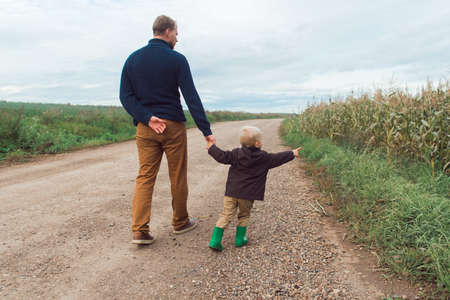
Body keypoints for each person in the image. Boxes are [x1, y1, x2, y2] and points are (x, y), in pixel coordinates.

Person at [119, 15, 216, 245]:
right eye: (176, 33)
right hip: (172, 126)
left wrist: (146, 117)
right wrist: (206, 130)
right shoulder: (177, 59)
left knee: (145, 177)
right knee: (178, 175)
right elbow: (191, 97)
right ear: (167, 32)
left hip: (146, 127)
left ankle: (139, 230)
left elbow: (125, 96)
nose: (177, 38)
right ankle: (180, 222)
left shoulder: (132, 59)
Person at [206, 126, 301, 251]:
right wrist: (292, 153)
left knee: (226, 214)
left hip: (232, 192)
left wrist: (211, 148)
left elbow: (222, 156)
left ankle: (215, 241)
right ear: (257, 144)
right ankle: (240, 239)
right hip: (248, 195)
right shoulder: (264, 158)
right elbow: (277, 158)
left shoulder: (235, 154)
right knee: (244, 215)